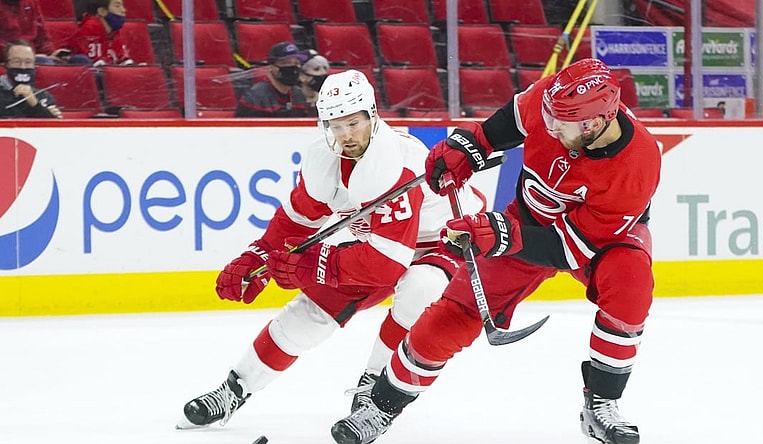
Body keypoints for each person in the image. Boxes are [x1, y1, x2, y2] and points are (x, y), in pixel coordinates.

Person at [330, 58, 662, 444]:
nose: (549, 128)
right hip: (528, 219)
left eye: (561, 124)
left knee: (631, 283)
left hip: (601, 238)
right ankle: (381, 405)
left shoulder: (638, 163)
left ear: (595, 123)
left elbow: (573, 248)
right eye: (549, 117)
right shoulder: (554, 100)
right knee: (457, 310)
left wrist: (504, 236)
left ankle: (602, 404)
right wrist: (469, 146)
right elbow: (510, 122)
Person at [176, 69, 486, 430]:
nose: (345, 135)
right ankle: (235, 388)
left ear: (372, 115)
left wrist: (310, 266)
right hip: (384, 244)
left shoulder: (395, 164)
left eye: (353, 123)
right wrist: (258, 254)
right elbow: (296, 220)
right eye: (335, 125)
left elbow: (386, 266)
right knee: (309, 311)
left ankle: (374, 391)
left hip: (444, 238)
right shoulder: (324, 159)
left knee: (421, 287)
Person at [235, 41, 312, 118]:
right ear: (271, 67)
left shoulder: (298, 94)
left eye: (296, 63)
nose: (292, 68)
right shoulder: (254, 98)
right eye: (285, 63)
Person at [1, 39, 62, 118]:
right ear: (6, 65)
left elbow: (50, 127)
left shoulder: (43, 96)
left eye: (28, 62)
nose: (23, 67)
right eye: (16, 61)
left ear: (35, 66)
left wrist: (34, 103)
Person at [66, 0, 133, 66]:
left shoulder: (115, 32)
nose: (123, 10)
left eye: (122, 6)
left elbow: (121, 59)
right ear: (102, 11)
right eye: (117, 6)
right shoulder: (89, 29)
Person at [0, 0, 64, 64]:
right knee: (45, 62)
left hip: (32, 56)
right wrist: (27, 56)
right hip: (7, 58)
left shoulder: (31, 2)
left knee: (71, 60)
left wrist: (51, 53)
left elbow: (41, 34)